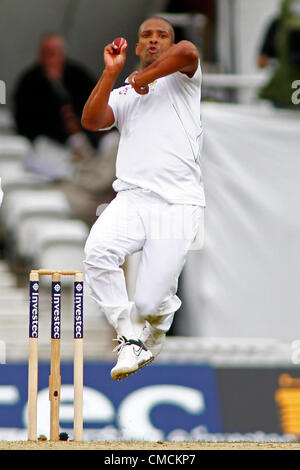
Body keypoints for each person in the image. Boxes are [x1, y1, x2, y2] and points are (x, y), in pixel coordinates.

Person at [82, 16, 205, 380]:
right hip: (132, 198)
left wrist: (143, 78)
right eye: (146, 37)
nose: (153, 41)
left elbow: (189, 50)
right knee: (97, 253)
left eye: (161, 36)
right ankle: (130, 337)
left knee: (151, 302)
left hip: (178, 203)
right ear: (136, 47)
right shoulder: (124, 94)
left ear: (168, 44)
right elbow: (92, 120)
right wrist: (111, 74)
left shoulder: (184, 80)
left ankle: (159, 319)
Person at [13, 33, 99, 180]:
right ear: (41, 54)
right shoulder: (30, 80)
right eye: (48, 52)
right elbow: (25, 119)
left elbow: (97, 100)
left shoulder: (77, 74)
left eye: (56, 51)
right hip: (48, 140)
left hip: (86, 136)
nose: (52, 57)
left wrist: (77, 122)